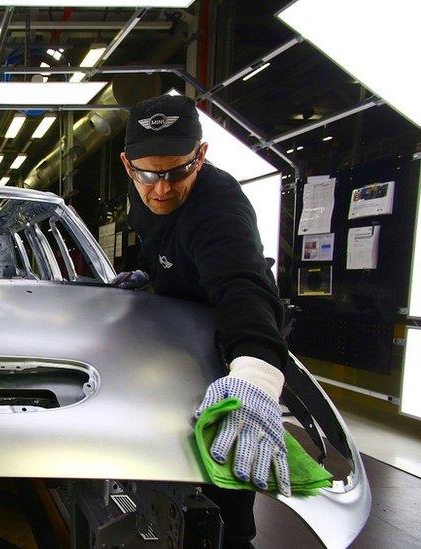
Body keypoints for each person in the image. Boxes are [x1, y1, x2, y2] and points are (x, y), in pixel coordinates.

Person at [114, 94, 291, 548]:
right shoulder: (145, 188)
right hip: (170, 331)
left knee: (225, 456)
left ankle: (235, 537)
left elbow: (242, 289)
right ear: (128, 165)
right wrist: (149, 277)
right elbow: (167, 248)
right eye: (147, 175)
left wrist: (254, 377)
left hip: (224, 339)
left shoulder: (219, 209)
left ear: (202, 155)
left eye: (177, 172)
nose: (161, 190)